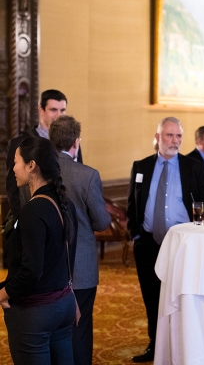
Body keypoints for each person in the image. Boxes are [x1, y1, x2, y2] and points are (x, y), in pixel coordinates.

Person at [127, 117, 204, 363]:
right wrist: (136, 234)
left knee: (184, 296)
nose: (174, 141)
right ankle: (155, 345)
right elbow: (133, 204)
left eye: (178, 136)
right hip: (148, 244)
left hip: (184, 245)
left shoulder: (193, 167)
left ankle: (186, 345)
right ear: (157, 137)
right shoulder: (141, 166)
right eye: (169, 135)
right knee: (152, 297)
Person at [0, 136, 78, 364]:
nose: (13, 168)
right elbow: (67, 259)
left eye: (16, 162)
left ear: (31, 165)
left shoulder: (33, 211)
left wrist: (3, 294)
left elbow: (31, 271)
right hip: (63, 306)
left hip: (36, 313)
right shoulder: (66, 204)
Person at [49, 116, 111, 365]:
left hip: (47, 265)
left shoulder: (36, 172)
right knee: (80, 329)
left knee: (52, 328)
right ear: (76, 143)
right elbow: (102, 223)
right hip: (81, 269)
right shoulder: (87, 175)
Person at [6, 89, 82, 219]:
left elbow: (79, 175)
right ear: (41, 110)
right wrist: (22, 220)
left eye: (62, 110)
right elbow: (14, 190)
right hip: (34, 216)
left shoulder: (71, 141)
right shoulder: (21, 143)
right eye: (53, 110)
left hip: (67, 217)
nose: (59, 115)